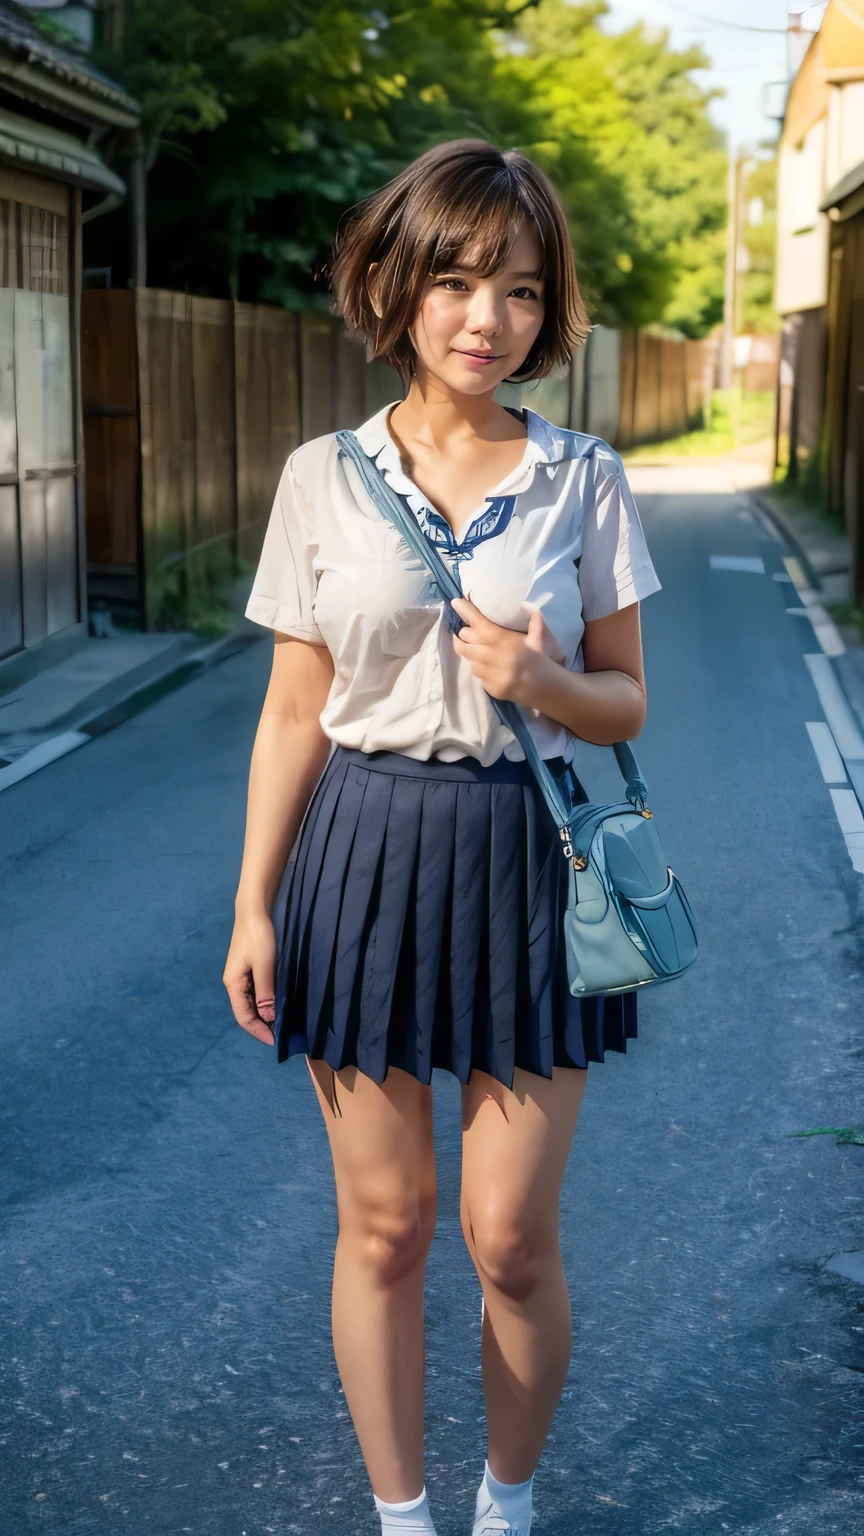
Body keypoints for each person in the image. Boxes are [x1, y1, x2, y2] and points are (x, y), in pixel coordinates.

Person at [223, 138, 661, 1536]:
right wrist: (251, 906)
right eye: (462, 280)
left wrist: (542, 682)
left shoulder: (584, 479)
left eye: (524, 291)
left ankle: (506, 1505)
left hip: (529, 855)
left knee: (509, 1240)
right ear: (399, 285)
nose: (490, 317)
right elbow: (295, 710)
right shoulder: (322, 479)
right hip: (358, 854)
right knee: (389, 1225)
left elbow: (627, 697)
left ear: (550, 312)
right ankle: (404, 1517)